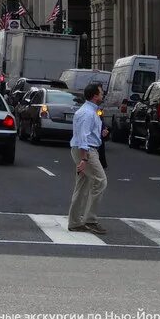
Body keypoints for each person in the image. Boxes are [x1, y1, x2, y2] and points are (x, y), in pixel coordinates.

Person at [67, 82, 109, 235]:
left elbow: (87, 133)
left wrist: (101, 134)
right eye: (101, 92)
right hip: (87, 151)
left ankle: (75, 222)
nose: (103, 94)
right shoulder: (87, 113)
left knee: (82, 186)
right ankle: (90, 220)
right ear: (94, 95)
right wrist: (84, 160)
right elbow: (83, 137)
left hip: (85, 150)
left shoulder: (90, 111)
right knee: (100, 181)